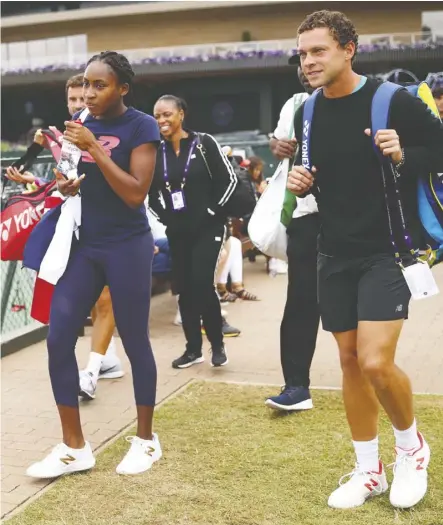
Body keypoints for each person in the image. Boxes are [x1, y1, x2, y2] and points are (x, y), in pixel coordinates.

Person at [287, 10, 443, 510]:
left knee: (377, 361)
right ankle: (368, 470)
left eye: (319, 50)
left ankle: (411, 449)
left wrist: (405, 154)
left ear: (349, 48)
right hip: (332, 251)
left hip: (388, 252)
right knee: (350, 363)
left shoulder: (390, 100)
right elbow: (311, 166)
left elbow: (436, 149)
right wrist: (299, 179)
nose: (308, 60)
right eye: (303, 51)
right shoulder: (305, 111)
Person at [26, 51, 161, 478]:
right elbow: (68, 179)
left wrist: (94, 151)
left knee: (136, 340)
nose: (89, 92)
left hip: (128, 244)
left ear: (122, 88)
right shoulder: (80, 124)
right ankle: (74, 447)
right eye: (86, 84)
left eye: (100, 85)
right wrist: (67, 183)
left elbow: (136, 193)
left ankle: (145, 440)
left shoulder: (142, 125)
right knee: (58, 337)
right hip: (86, 245)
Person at [149, 95, 238, 369]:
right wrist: (166, 218)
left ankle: (217, 344)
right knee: (184, 289)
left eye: (167, 114)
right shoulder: (155, 152)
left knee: (201, 283)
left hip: (209, 227)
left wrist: (213, 212)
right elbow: (150, 195)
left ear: (181, 114)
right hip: (179, 231)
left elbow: (229, 180)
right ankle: (192, 350)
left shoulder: (204, 143)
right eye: (158, 116)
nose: (162, 121)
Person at [265, 65, 320, 411]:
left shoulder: (363, 100)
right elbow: (277, 144)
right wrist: (278, 145)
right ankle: (296, 386)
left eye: (316, 53)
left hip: (354, 219)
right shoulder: (296, 103)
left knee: (359, 302)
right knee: (301, 301)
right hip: (306, 215)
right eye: (301, 58)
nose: (306, 66)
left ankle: (368, 374)